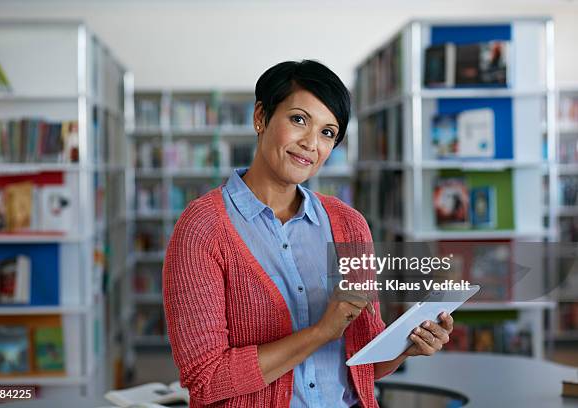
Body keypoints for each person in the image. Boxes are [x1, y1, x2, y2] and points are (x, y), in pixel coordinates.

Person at [163, 60, 454, 408]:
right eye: (299, 120)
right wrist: (320, 333)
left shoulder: (350, 224)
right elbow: (206, 380)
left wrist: (409, 344)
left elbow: (364, 365)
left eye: (327, 133)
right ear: (261, 116)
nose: (310, 144)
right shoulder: (203, 228)